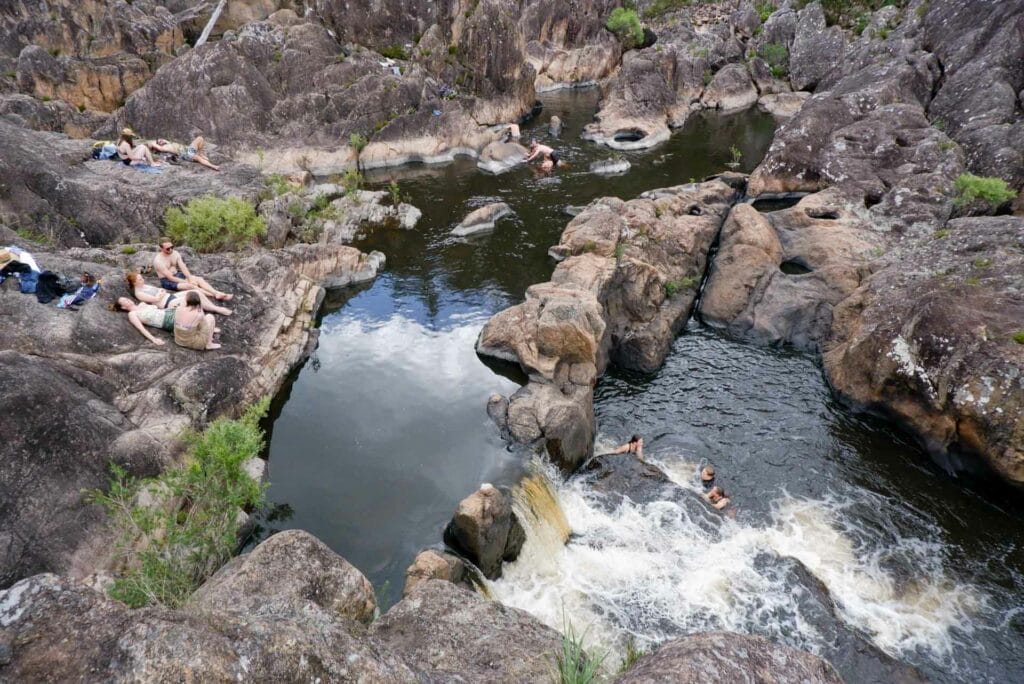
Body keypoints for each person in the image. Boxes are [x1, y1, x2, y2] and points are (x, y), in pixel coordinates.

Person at [153, 238, 233, 301]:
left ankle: (216, 292)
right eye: (167, 249)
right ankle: (215, 296)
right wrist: (188, 282)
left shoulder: (175, 253)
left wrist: (190, 278)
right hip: (167, 281)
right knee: (191, 286)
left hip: (177, 274)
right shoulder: (159, 261)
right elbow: (170, 277)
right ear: (161, 248)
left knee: (199, 279)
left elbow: (183, 267)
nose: (170, 249)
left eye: (172, 247)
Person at [124, 271, 231, 315]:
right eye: (140, 279)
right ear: (134, 283)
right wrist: (160, 293)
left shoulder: (145, 286)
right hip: (167, 304)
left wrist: (160, 293)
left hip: (170, 296)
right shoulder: (139, 293)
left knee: (194, 291)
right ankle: (216, 310)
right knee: (192, 298)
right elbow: (156, 299)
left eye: (141, 278)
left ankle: (214, 307)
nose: (142, 280)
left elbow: (160, 290)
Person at [148, 136, 220, 171]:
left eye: (161, 139)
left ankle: (201, 153)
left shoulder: (168, 143)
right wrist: (153, 143)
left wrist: (162, 140)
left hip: (188, 149)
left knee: (200, 138)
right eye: (159, 141)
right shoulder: (164, 148)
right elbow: (152, 144)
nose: (161, 140)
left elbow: (164, 140)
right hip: (184, 153)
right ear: (158, 145)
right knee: (198, 158)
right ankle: (213, 166)